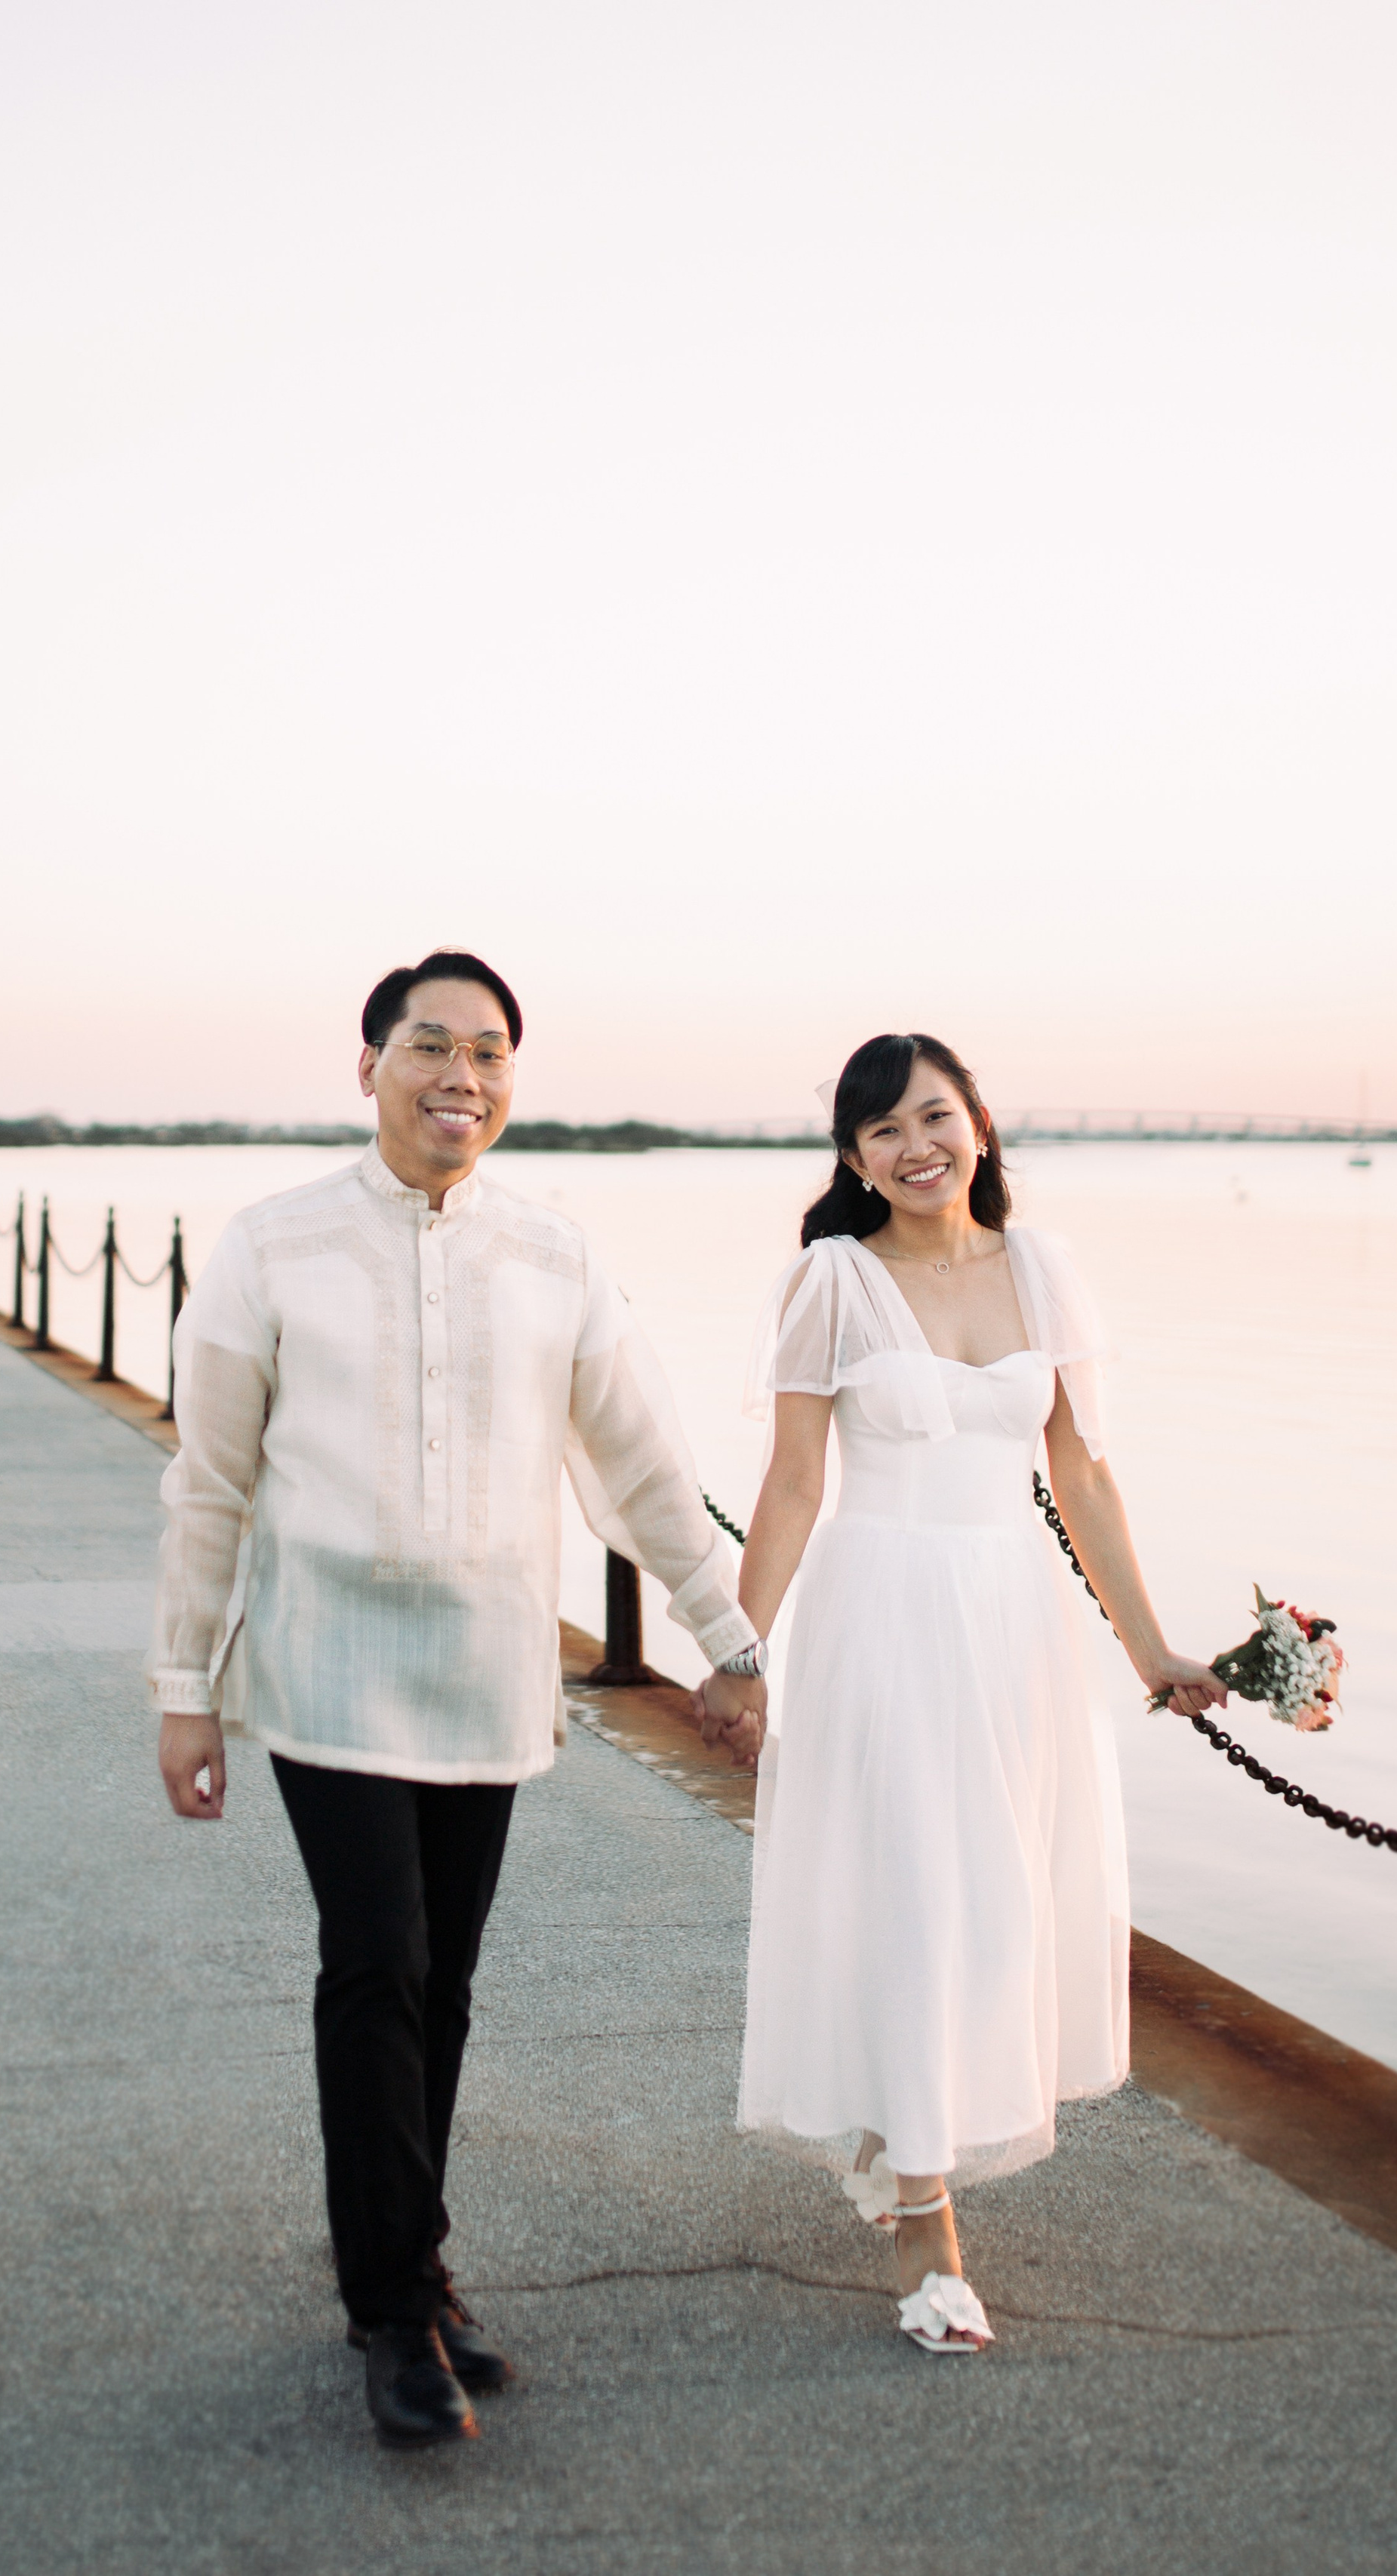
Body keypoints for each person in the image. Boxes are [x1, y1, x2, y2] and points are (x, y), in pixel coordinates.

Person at [148, 950, 768, 2446]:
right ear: (365, 1064)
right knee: (376, 1961)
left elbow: (638, 1469)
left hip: (488, 1675)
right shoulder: (271, 1246)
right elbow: (210, 1481)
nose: (461, 1078)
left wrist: (728, 1640)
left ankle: (414, 2261)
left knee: (447, 1980)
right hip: (324, 1664)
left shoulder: (553, 1254)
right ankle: (388, 2316)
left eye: (489, 1054)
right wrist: (184, 1687)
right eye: (430, 1046)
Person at [700, 1033, 1225, 2354]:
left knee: (996, 1909)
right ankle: (928, 2234)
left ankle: (907, 2130)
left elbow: (1085, 1478)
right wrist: (737, 1644)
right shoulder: (831, 1281)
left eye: (933, 1116)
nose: (914, 1145)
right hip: (879, 1621)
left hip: (1014, 1626)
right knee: (916, 1900)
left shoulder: (1044, 1272)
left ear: (978, 1124)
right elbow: (794, 1485)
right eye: (882, 1130)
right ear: (852, 1156)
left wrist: (1150, 1648)